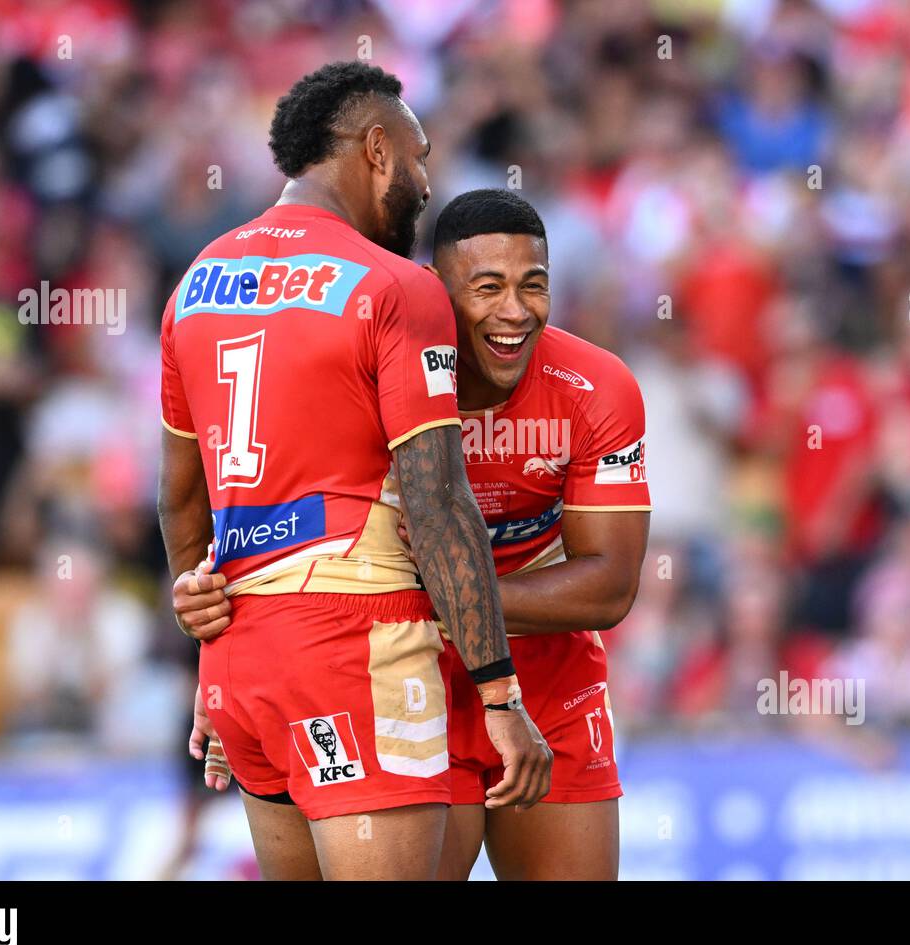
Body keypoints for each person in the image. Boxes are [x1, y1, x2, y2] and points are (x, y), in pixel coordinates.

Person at [182, 189, 651, 879]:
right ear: (434, 289)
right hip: (408, 679)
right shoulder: (373, 375)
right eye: (487, 287)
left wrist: (449, 594)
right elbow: (271, 530)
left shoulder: (597, 385)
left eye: (534, 286)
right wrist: (213, 623)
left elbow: (609, 586)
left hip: (549, 682)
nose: (515, 311)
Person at [158, 63, 551, 881]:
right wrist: (501, 696)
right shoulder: (395, 287)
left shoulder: (195, 284)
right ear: (377, 151)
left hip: (243, 662)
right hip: (355, 640)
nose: (426, 181)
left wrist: (205, 649)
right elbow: (441, 505)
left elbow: (181, 499)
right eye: (418, 157)